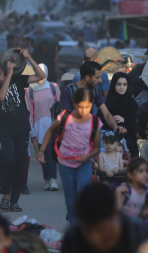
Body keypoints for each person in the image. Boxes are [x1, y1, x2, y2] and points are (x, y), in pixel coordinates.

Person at [0, 50, 45, 212]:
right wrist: (8, 76)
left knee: (20, 164)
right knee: (8, 162)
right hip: (4, 129)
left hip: (21, 128)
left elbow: (40, 76)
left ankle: (14, 201)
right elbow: (1, 97)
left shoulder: (19, 79)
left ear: (3, 69)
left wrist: (29, 58)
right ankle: (6, 194)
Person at [61, 182, 148, 253]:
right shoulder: (73, 240)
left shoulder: (137, 235)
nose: (94, 237)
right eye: (88, 230)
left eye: (101, 228)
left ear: (115, 214)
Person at [39, 88, 102, 225]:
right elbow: (50, 131)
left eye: (87, 107)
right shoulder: (64, 117)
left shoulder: (96, 122)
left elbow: (96, 147)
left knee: (82, 194)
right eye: (80, 107)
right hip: (65, 163)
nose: (83, 110)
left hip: (84, 163)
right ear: (74, 103)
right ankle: (74, 229)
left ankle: (83, 224)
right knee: (70, 198)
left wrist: (88, 156)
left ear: (92, 105)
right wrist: (41, 151)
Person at [25, 64, 60, 191]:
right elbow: (29, 111)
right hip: (38, 125)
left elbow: (60, 106)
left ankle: (52, 178)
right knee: (43, 152)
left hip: (52, 123)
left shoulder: (53, 87)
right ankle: (47, 178)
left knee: (51, 151)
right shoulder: (30, 90)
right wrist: (30, 128)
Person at [60, 61, 118, 131]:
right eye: (97, 77)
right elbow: (65, 117)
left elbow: (106, 114)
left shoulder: (95, 91)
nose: (100, 81)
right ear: (87, 77)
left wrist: (116, 128)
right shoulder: (68, 92)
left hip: (88, 135)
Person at [104, 72, 139, 158]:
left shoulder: (132, 103)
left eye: (124, 84)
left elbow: (137, 124)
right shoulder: (107, 104)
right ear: (114, 85)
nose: (122, 87)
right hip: (110, 146)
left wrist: (124, 120)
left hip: (130, 145)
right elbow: (102, 123)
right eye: (119, 84)